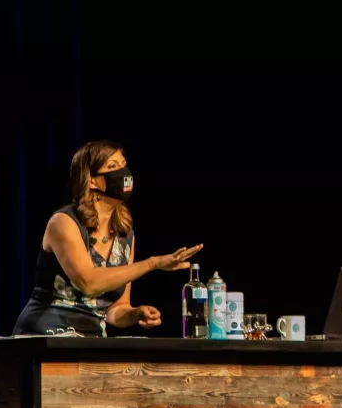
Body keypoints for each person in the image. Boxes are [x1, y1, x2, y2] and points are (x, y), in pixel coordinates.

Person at [13, 140, 202, 337]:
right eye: (112, 167)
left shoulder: (124, 234)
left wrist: (135, 314)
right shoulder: (64, 222)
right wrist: (152, 263)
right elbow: (88, 283)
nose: (123, 173)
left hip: (92, 339)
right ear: (92, 180)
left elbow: (115, 310)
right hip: (45, 337)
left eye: (123, 165)